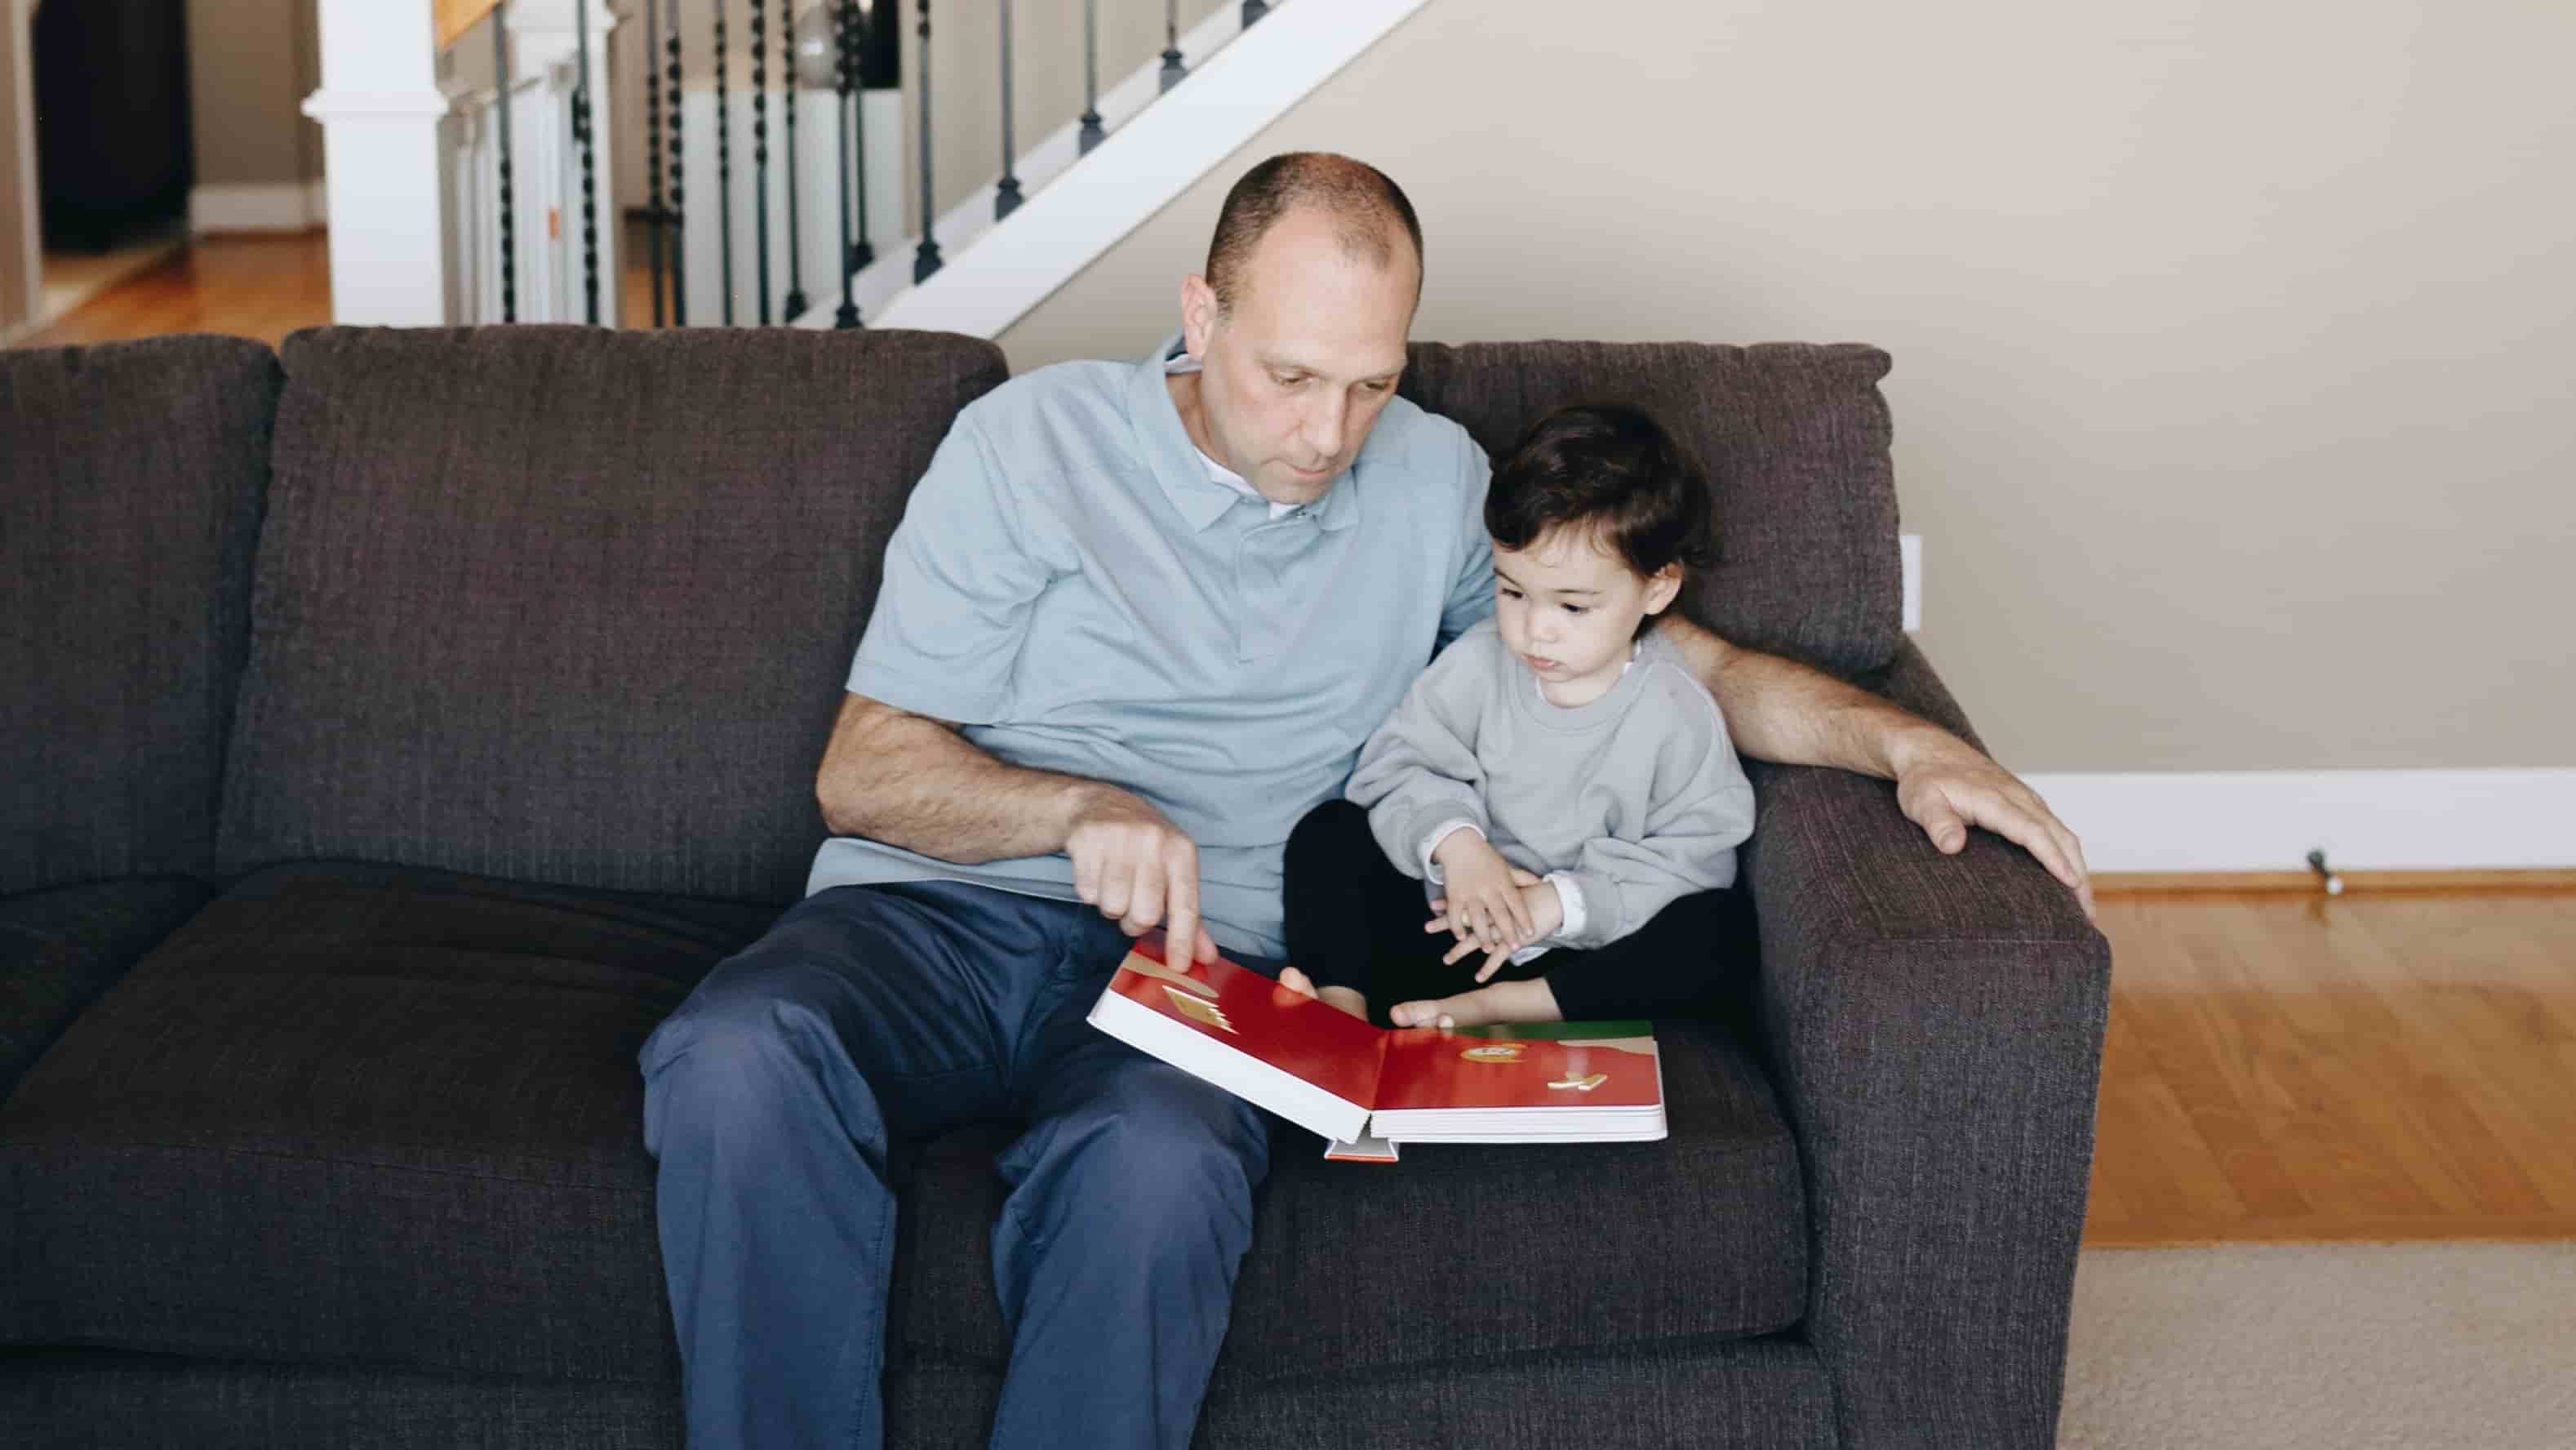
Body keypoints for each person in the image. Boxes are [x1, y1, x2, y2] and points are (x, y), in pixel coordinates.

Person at [637, 151, 2095, 1450]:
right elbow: (863, 768)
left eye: (1371, 382)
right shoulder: (1031, 445)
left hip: (1213, 972)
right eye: (1289, 376)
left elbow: (1665, 658)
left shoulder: (1433, 478)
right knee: (733, 1054)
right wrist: (1075, 810)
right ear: (1202, 314)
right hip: (936, 922)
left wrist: (1904, 745)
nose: (1330, 432)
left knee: (1158, 1168)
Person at [1281, 402, 1754, 1031]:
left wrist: (1556, 905)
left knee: (1717, 932)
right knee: (1329, 833)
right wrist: (1459, 848)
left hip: (1566, 962)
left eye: (1573, 607)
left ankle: (1496, 1008)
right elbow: (1397, 766)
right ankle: (1341, 1012)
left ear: (1657, 588)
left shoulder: (1676, 711)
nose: (1535, 629)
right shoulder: (1479, 662)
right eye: (1513, 591)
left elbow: (1695, 861)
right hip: (1446, 924)